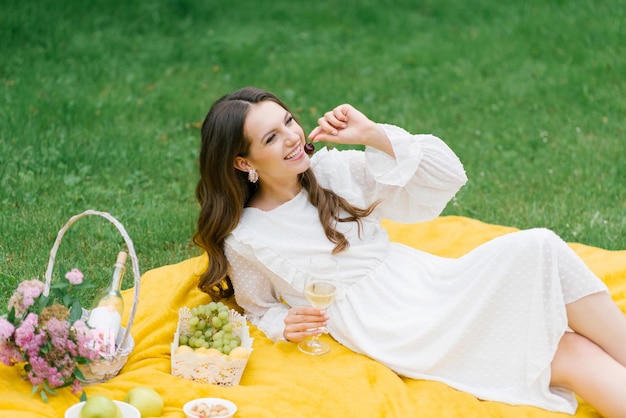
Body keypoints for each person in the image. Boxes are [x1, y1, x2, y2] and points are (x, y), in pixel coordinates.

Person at [193, 86, 626, 417]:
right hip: (391, 323)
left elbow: (448, 175)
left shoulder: (334, 170)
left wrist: (373, 135)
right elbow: (255, 306)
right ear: (243, 162)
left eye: (288, 121)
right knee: (564, 351)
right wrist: (283, 322)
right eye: (271, 137)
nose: (292, 136)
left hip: (424, 281)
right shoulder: (246, 237)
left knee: (540, 250)